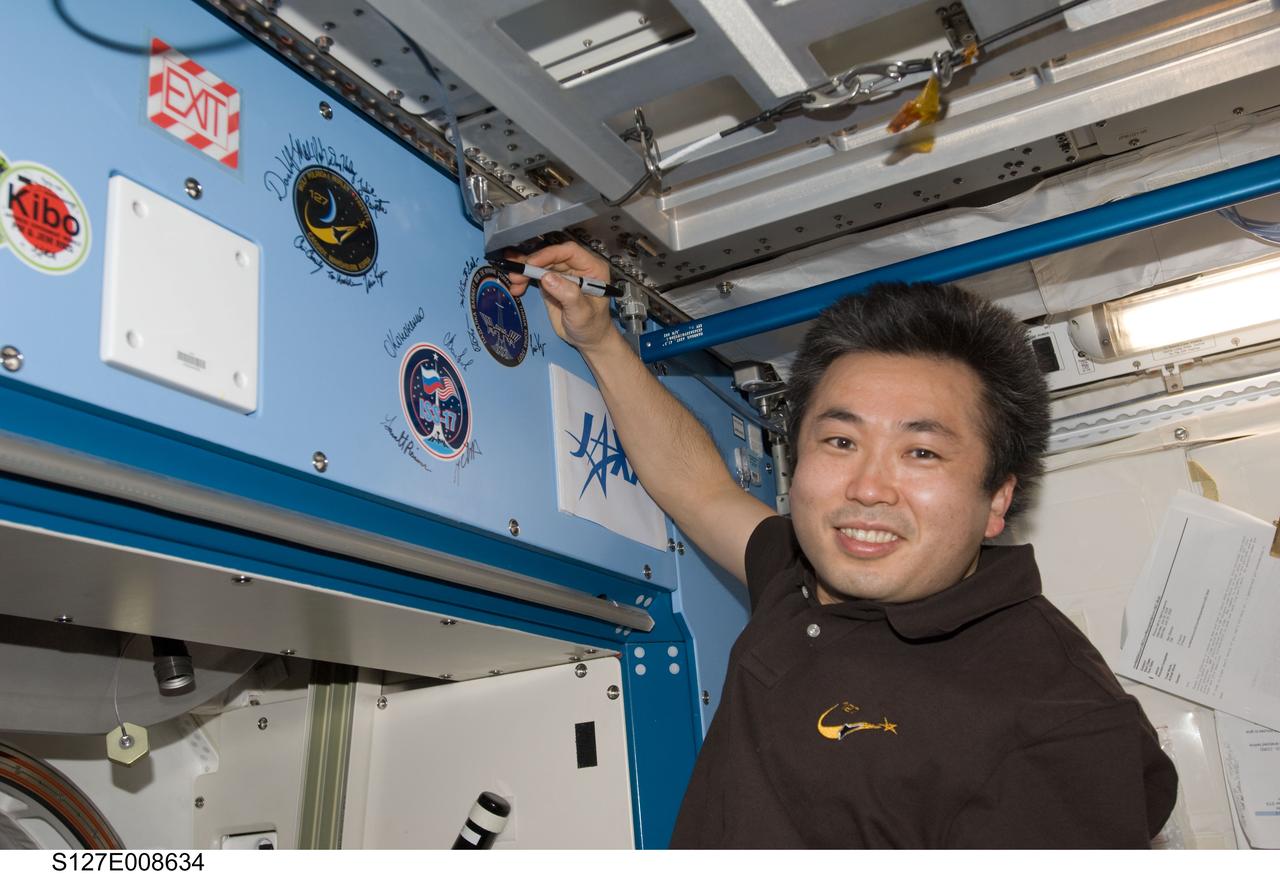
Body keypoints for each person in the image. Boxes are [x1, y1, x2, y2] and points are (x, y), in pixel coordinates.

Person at [506, 241, 1178, 848]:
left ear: (996, 498)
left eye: (920, 452)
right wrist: (599, 338)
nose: (868, 488)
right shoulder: (806, 579)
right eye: (840, 441)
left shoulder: (1058, 724)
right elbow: (701, 488)